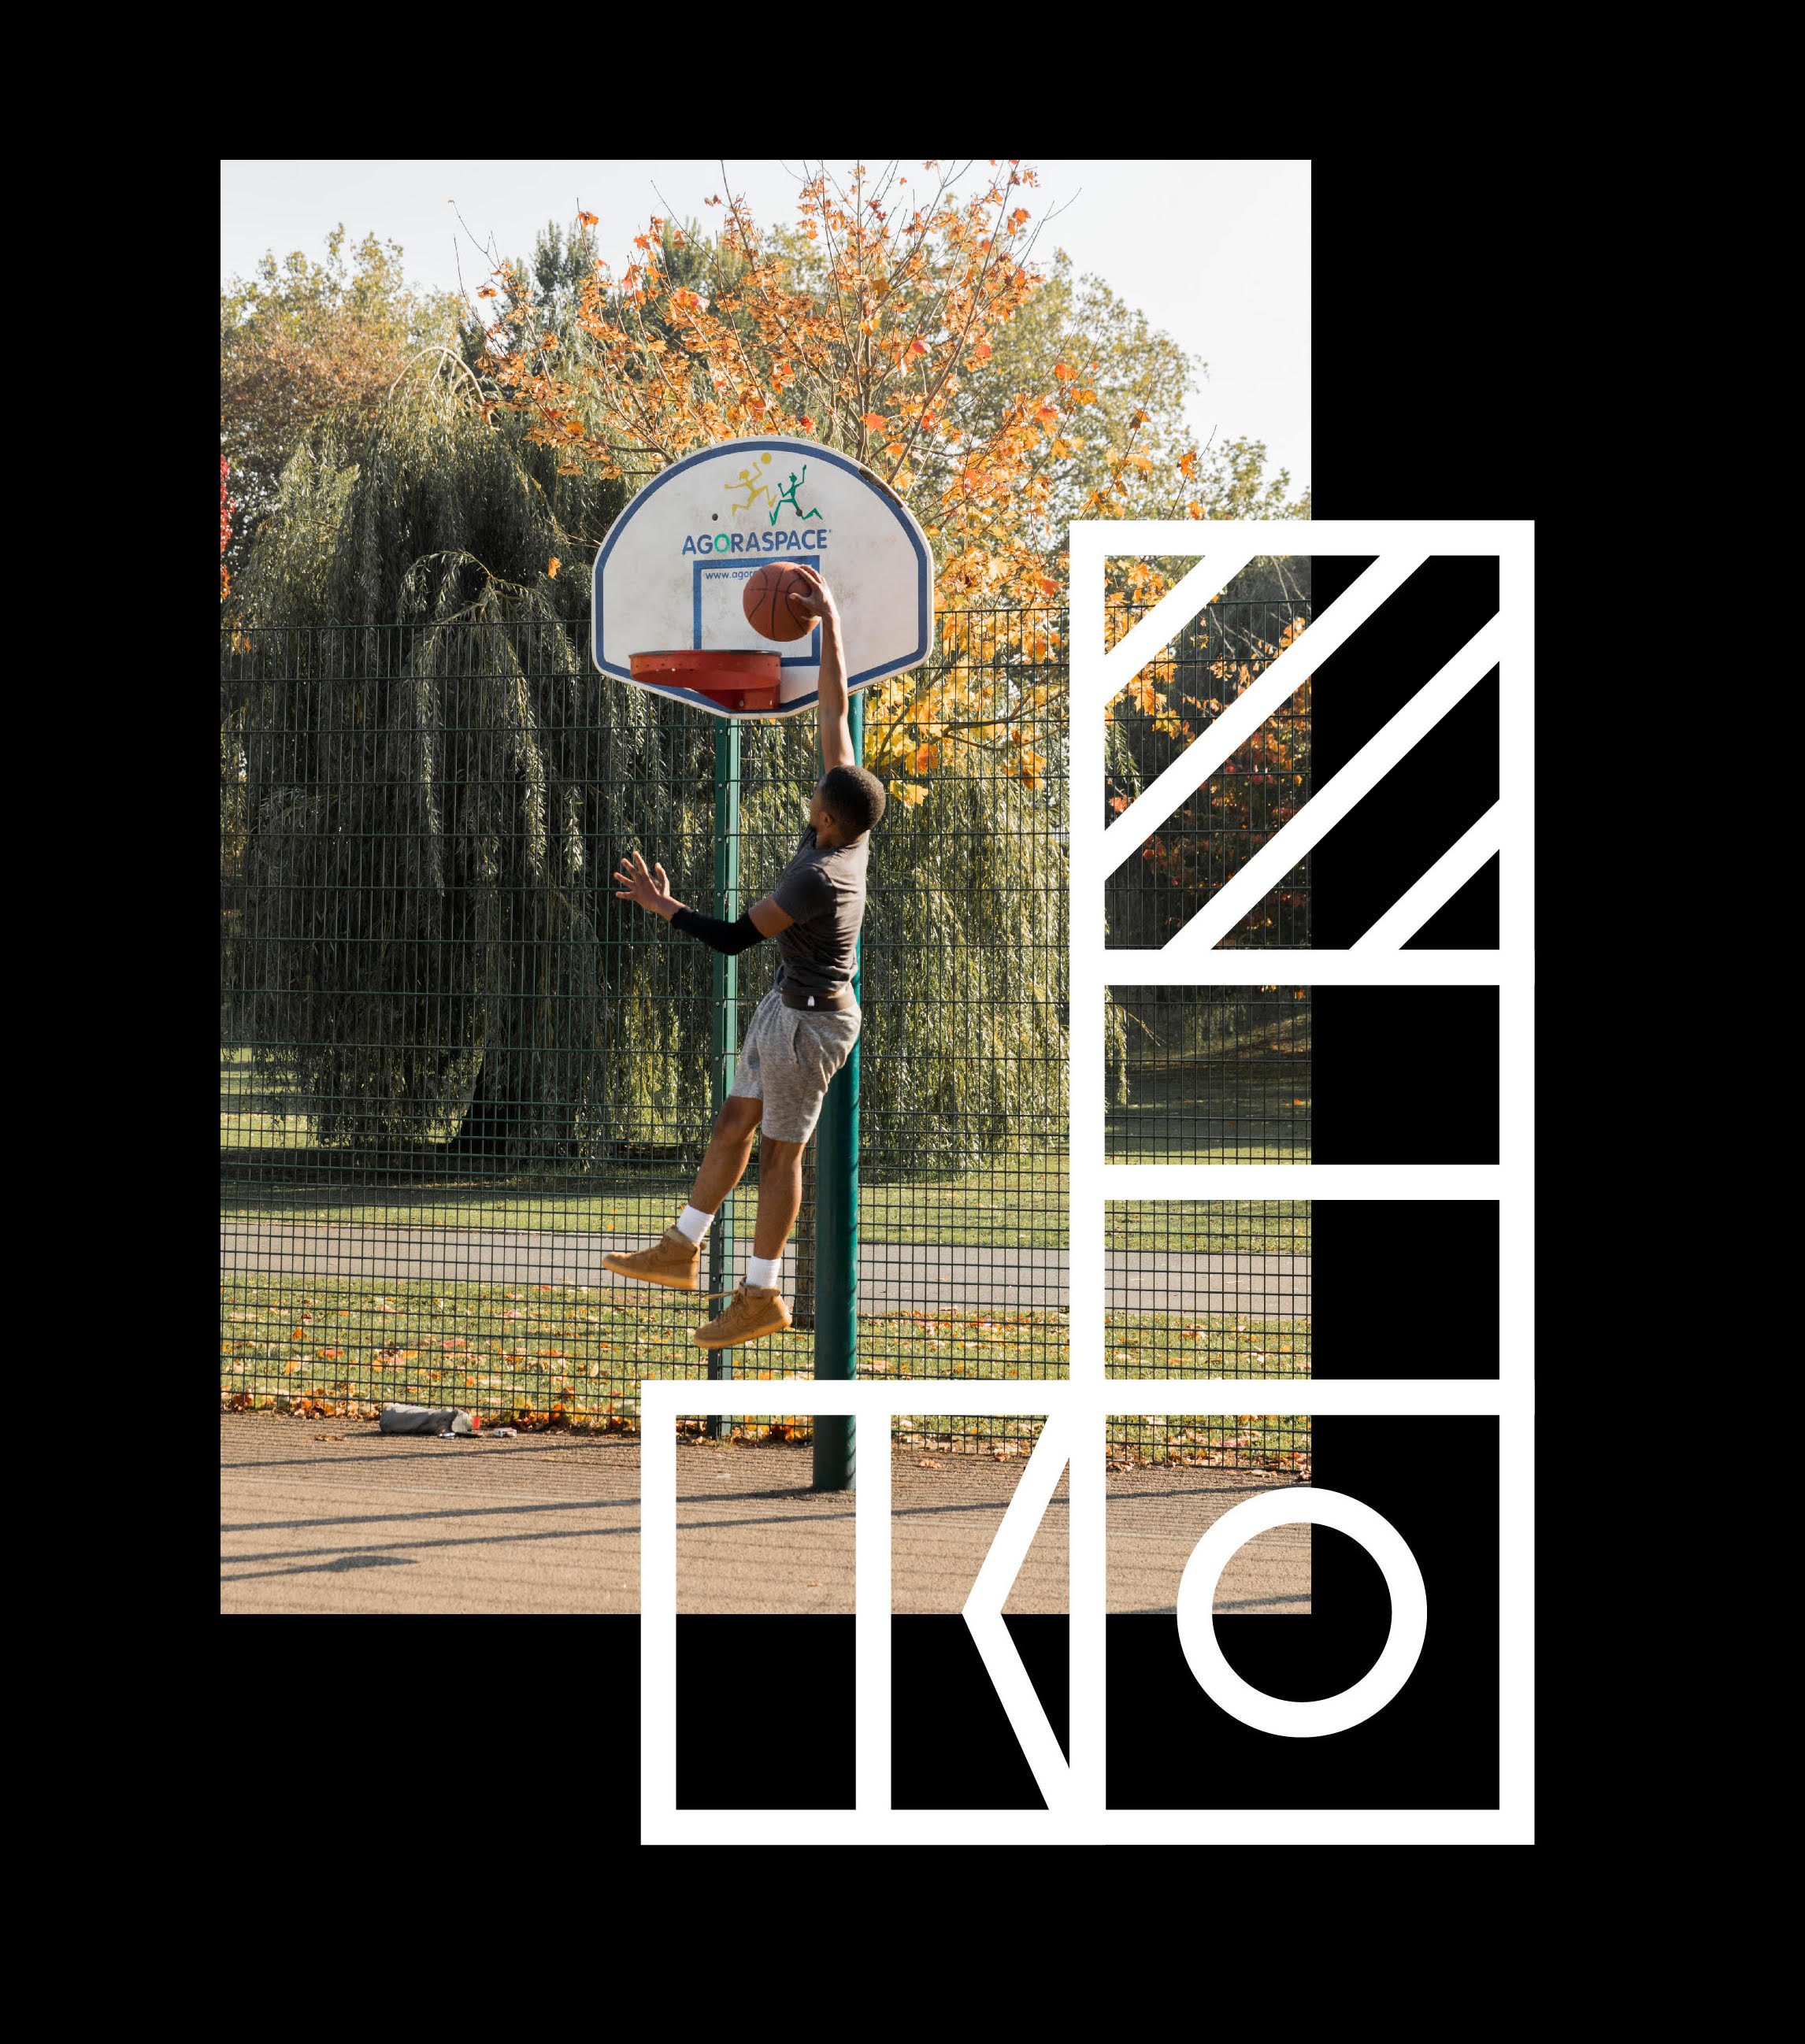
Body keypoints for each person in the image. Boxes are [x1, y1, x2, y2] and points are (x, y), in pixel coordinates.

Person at [606, 564, 885, 1349]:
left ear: (827, 817)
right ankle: (681, 1247)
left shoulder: (815, 875)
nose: (809, 797)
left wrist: (667, 909)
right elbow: (833, 709)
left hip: (812, 1029)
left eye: (814, 801)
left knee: (777, 1157)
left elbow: (731, 937)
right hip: (785, 1008)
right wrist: (828, 618)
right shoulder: (848, 823)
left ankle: (761, 1295)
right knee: (733, 1124)